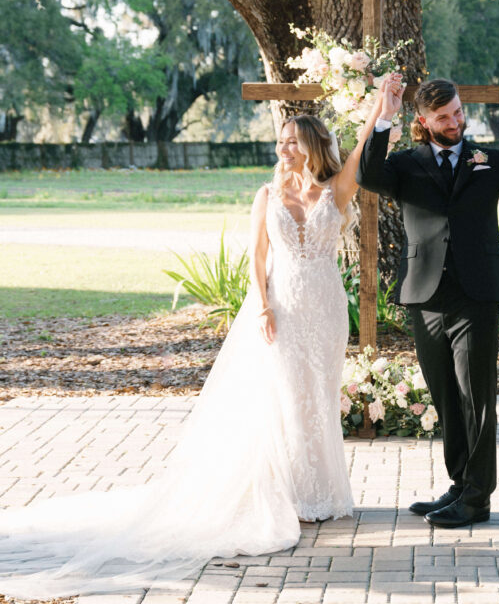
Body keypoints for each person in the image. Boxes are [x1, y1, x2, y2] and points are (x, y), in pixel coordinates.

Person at [0, 87, 391, 598]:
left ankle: (324, 493)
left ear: (313, 145)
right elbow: (256, 256)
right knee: (286, 398)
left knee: (319, 396)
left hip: (325, 308)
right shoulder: (267, 195)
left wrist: (382, 108)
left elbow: (362, 151)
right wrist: (265, 306)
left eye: (292, 141)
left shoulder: (336, 190)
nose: (283, 149)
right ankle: (290, 494)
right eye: (280, 141)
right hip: (284, 306)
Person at [357, 75, 499, 529]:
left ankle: (478, 498)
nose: (456, 121)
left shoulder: (489, 161)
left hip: (477, 295)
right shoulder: (404, 165)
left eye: (458, 112)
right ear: (423, 121)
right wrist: (382, 117)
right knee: (446, 398)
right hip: (425, 297)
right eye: (445, 117)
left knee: (477, 400)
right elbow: (366, 175)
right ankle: (460, 484)